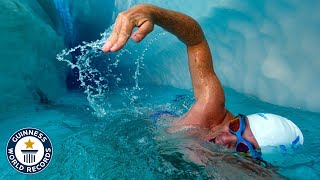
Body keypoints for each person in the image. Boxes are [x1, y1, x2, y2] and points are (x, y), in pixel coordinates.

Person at [101, 4, 303, 159]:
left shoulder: (243, 170)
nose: (224, 139)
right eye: (235, 127)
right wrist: (150, 12)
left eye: (242, 147)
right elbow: (195, 40)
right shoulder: (211, 109)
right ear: (238, 118)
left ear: (253, 159)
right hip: (147, 122)